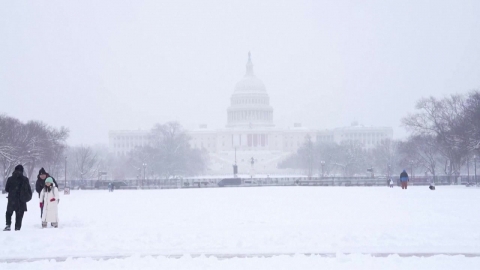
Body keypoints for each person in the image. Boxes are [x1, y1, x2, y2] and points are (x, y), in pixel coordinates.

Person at [4, 165, 32, 231]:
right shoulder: (25, 179)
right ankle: (17, 227)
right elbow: (29, 190)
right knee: (19, 215)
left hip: (12, 199)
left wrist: (12, 192)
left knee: (9, 212)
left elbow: (6, 189)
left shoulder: (10, 179)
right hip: (21, 200)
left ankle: (8, 225)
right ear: (22, 171)